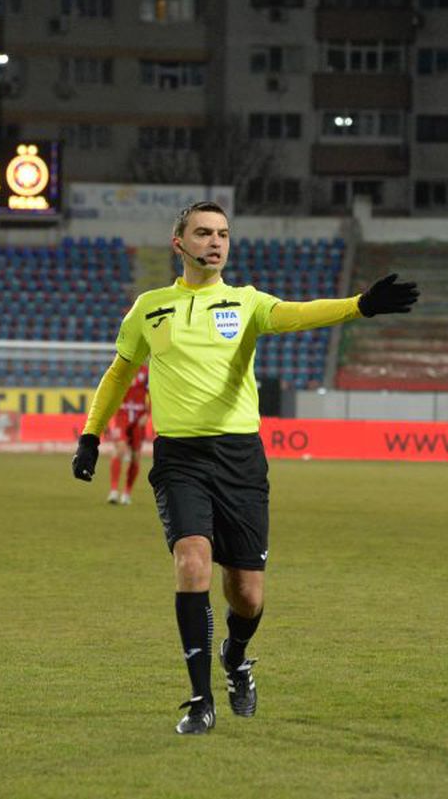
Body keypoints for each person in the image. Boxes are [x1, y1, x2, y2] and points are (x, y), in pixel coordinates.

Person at [71, 201, 419, 735]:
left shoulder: (247, 302)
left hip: (240, 460)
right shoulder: (150, 307)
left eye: (224, 234)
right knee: (192, 565)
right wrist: (91, 435)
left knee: (249, 595)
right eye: (204, 233)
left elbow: (300, 314)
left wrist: (360, 305)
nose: (216, 242)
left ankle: (235, 657)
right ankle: (199, 698)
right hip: (181, 458)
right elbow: (120, 371)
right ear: (179, 243)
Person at [105, 362, 150, 505]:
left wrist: (147, 414)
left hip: (138, 416)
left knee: (136, 456)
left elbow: (154, 393)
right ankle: (113, 491)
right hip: (122, 414)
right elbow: (109, 392)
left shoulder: (147, 372)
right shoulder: (120, 368)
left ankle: (127, 492)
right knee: (120, 449)